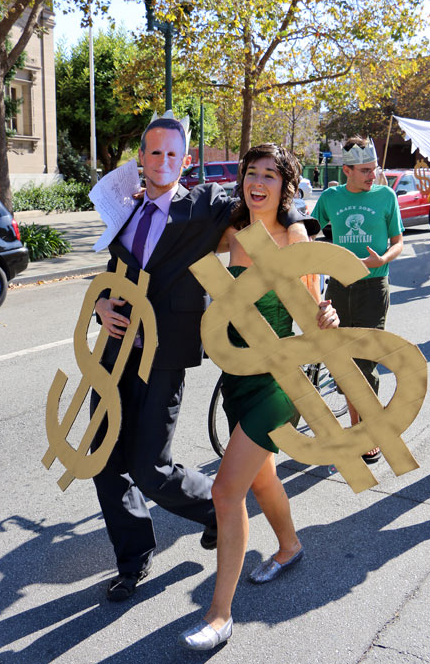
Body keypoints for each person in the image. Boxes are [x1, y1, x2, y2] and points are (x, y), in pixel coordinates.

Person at [91, 115, 315, 602]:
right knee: (104, 458)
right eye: (155, 153)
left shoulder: (207, 207)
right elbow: (111, 273)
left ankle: (218, 511)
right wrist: (99, 304)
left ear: (186, 161)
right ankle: (133, 559)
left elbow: (270, 207)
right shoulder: (124, 211)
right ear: (142, 160)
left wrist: (298, 225)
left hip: (165, 352)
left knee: (151, 467)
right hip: (112, 351)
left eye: (174, 155)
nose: (164, 162)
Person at [179, 144, 339, 651]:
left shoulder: (292, 236)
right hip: (237, 379)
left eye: (271, 175)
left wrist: (327, 316)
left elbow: (313, 308)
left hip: (277, 381)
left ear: (284, 187)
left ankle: (219, 615)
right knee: (263, 478)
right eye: (252, 172)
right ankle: (289, 547)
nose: (259, 181)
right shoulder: (230, 233)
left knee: (227, 492)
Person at [311, 136, 404, 464]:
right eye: (365, 170)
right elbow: (307, 229)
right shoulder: (331, 197)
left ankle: (363, 432)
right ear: (346, 169)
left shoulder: (386, 196)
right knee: (342, 360)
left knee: (363, 363)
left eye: (373, 169)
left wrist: (383, 259)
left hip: (373, 288)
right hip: (338, 287)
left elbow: (398, 241)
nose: (372, 175)